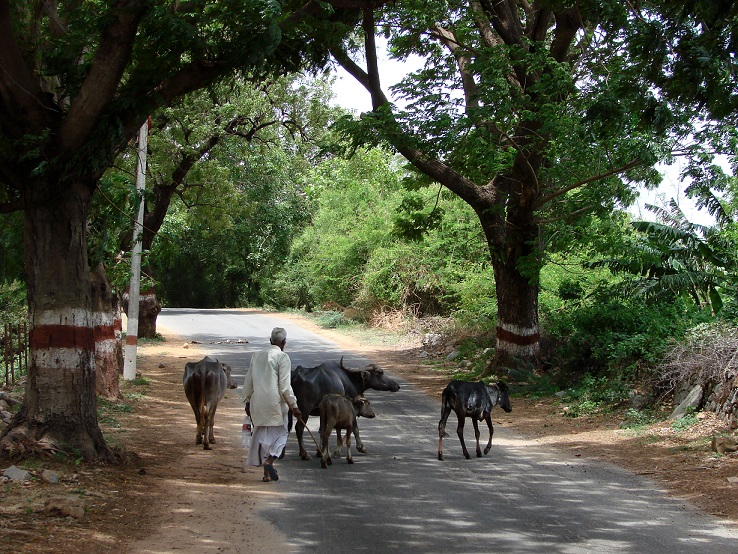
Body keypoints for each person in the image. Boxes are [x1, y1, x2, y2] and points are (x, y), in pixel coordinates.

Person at [242, 327, 301, 482]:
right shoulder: (283, 357)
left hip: (257, 403)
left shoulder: (256, 355)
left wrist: (247, 401)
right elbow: (285, 387)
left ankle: (266, 475)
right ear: (284, 342)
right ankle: (269, 461)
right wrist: (294, 406)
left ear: (270, 341)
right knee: (281, 435)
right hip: (275, 404)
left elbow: (249, 381)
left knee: (261, 435)